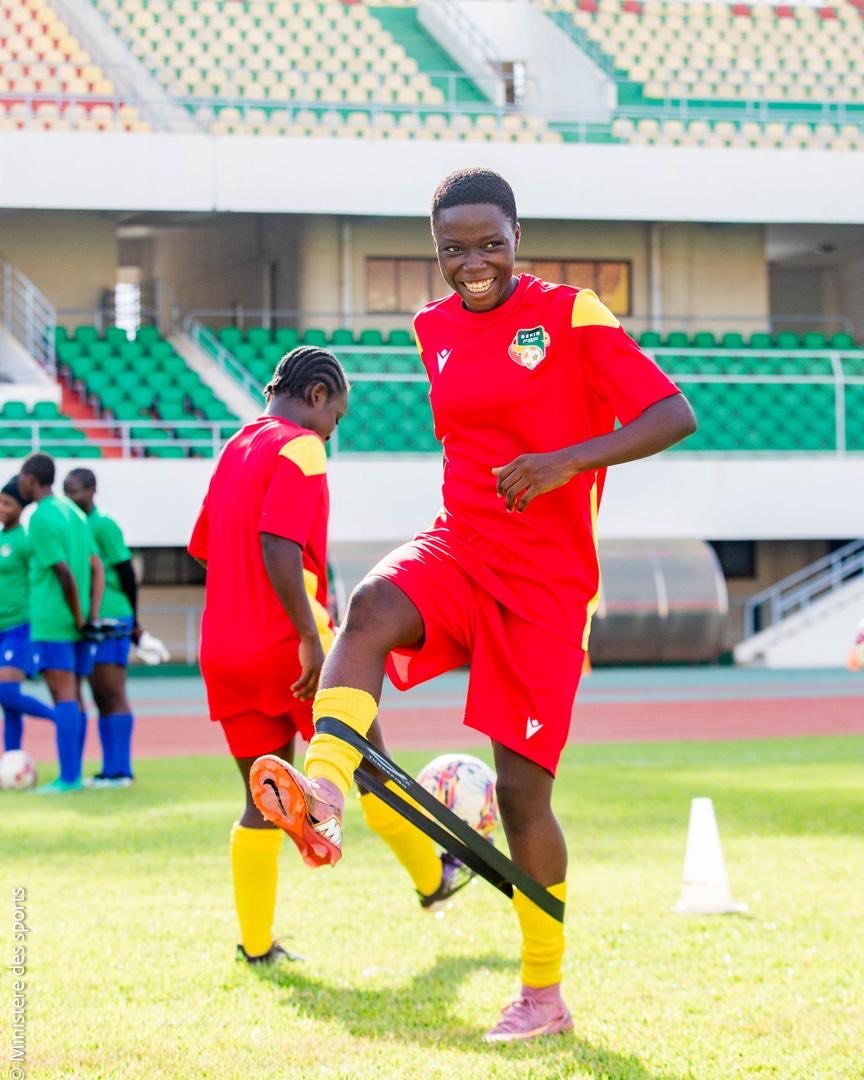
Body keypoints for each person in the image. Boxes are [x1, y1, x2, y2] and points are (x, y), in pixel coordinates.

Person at [249, 168, 697, 1042]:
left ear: (517, 236)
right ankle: (325, 794)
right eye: (454, 248)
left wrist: (567, 461)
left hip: (545, 587)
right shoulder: (432, 328)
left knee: (524, 800)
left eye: (491, 243)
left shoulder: (571, 313)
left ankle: (543, 995)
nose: (474, 262)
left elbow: (673, 414)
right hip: (461, 546)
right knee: (370, 606)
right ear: (436, 249)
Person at [188, 346, 353, 965]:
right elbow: (279, 544)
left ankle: (256, 947)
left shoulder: (236, 446)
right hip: (290, 645)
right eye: (336, 417)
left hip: (224, 649)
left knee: (261, 797)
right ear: (317, 396)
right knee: (366, 761)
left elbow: (205, 547)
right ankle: (433, 875)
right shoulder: (302, 446)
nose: (332, 432)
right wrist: (308, 635)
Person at [16, 453, 104, 793]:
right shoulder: (74, 513)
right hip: (77, 622)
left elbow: (63, 573)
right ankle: (74, 774)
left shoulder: (40, 516)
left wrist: (79, 616)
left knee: (62, 695)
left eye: (22, 477)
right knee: (75, 694)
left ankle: (68, 778)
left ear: (30, 478)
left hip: (54, 620)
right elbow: (96, 567)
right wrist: (90, 616)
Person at [63, 468, 140, 788]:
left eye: (76, 491)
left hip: (113, 618)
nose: (71, 498)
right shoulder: (76, 525)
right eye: (67, 492)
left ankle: (122, 771)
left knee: (112, 692)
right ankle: (109, 770)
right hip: (93, 622)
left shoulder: (104, 524)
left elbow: (126, 572)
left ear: (92, 490)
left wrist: (135, 621)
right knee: (99, 695)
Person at [0, 475, 56, 751]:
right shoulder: (1, 538)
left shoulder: (25, 540)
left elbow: (39, 579)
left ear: (21, 508)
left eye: (7, 503)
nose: (1, 508)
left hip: (19, 627)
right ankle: (12, 757)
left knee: (7, 693)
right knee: (8, 704)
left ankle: (61, 718)